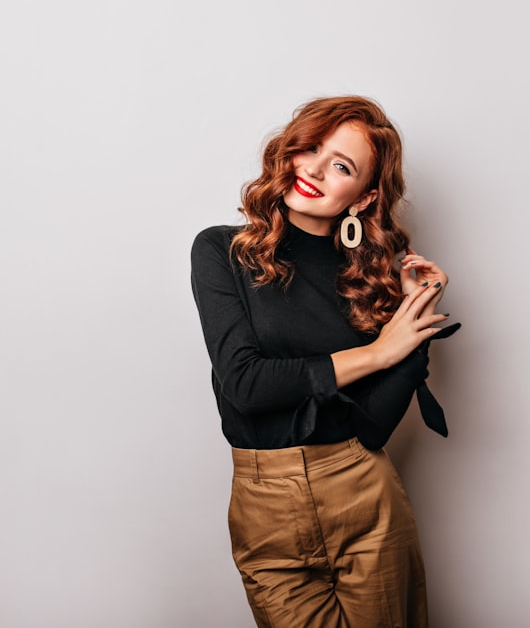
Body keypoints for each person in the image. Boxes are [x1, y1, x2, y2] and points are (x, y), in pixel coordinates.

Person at [190, 95, 459, 627]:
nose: (313, 168)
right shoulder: (222, 252)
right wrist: (377, 353)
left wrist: (412, 318)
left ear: (364, 197)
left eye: (341, 165)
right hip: (265, 504)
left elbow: (375, 427)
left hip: (364, 493)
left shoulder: (369, 284)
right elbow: (245, 384)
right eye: (309, 147)